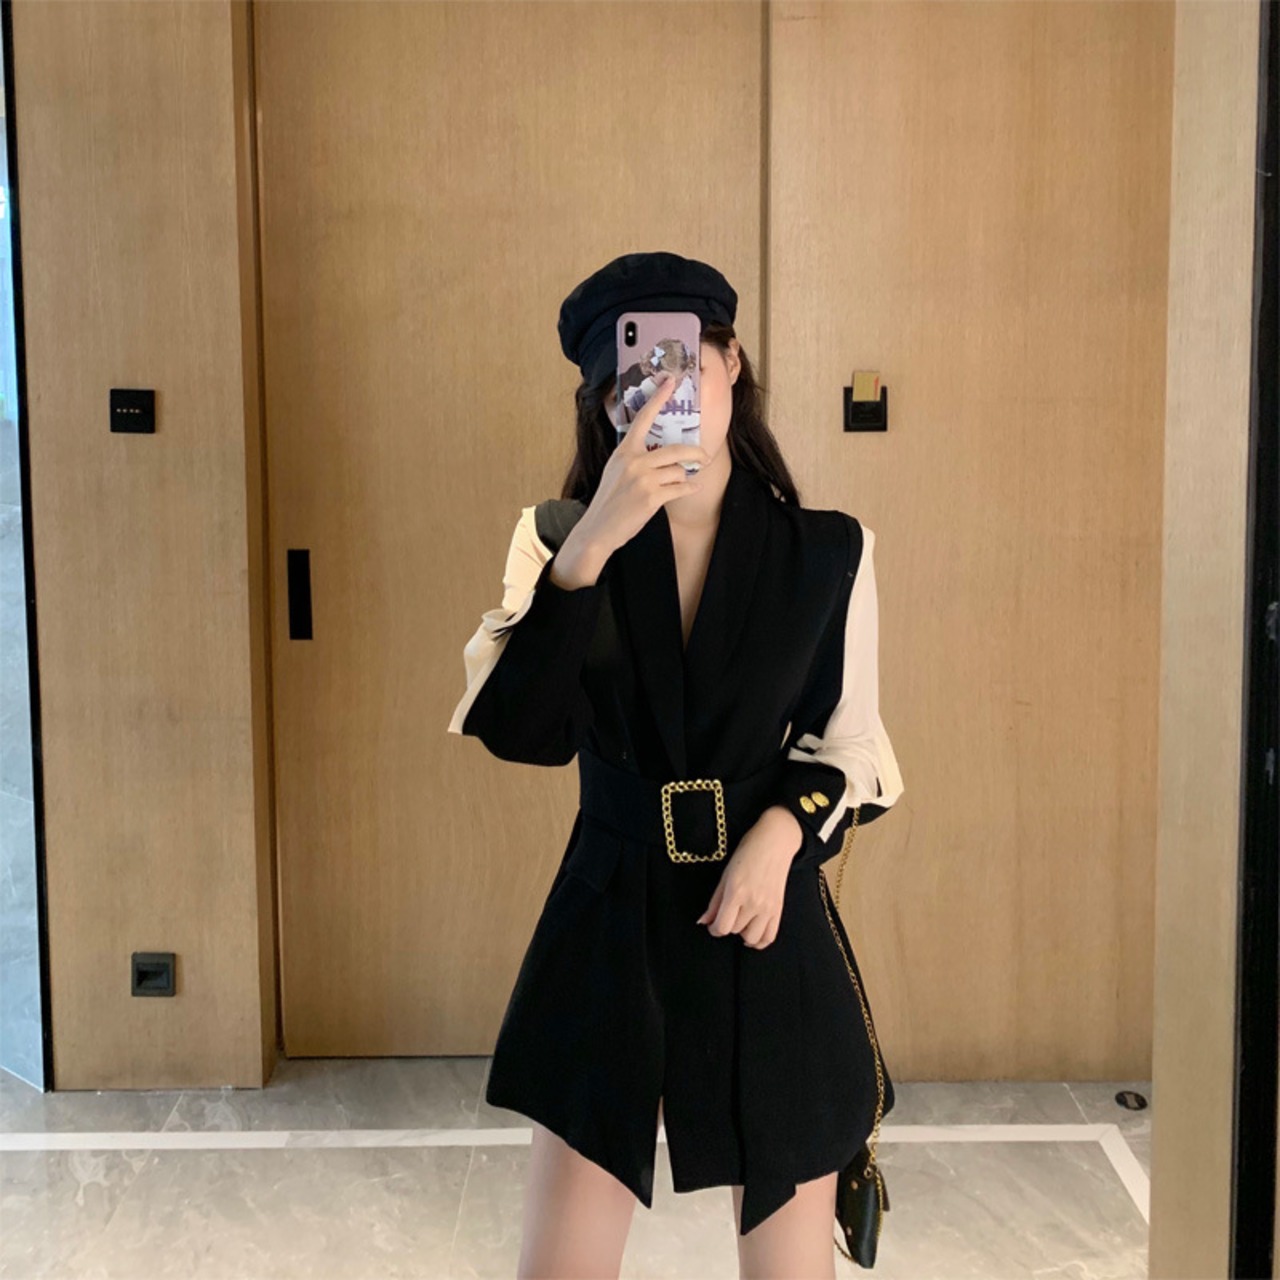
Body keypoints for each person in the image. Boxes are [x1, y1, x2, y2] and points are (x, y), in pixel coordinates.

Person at [447, 251, 904, 1279]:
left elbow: (850, 746)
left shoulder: (829, 551)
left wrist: (780, 835)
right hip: (610, 912)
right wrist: (591, 547)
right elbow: (523, 730)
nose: (659, 395)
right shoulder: (555, 538)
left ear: (732, 363)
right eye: (630, 379)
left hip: (761, 912)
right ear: (604, 406)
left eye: (682, 361)